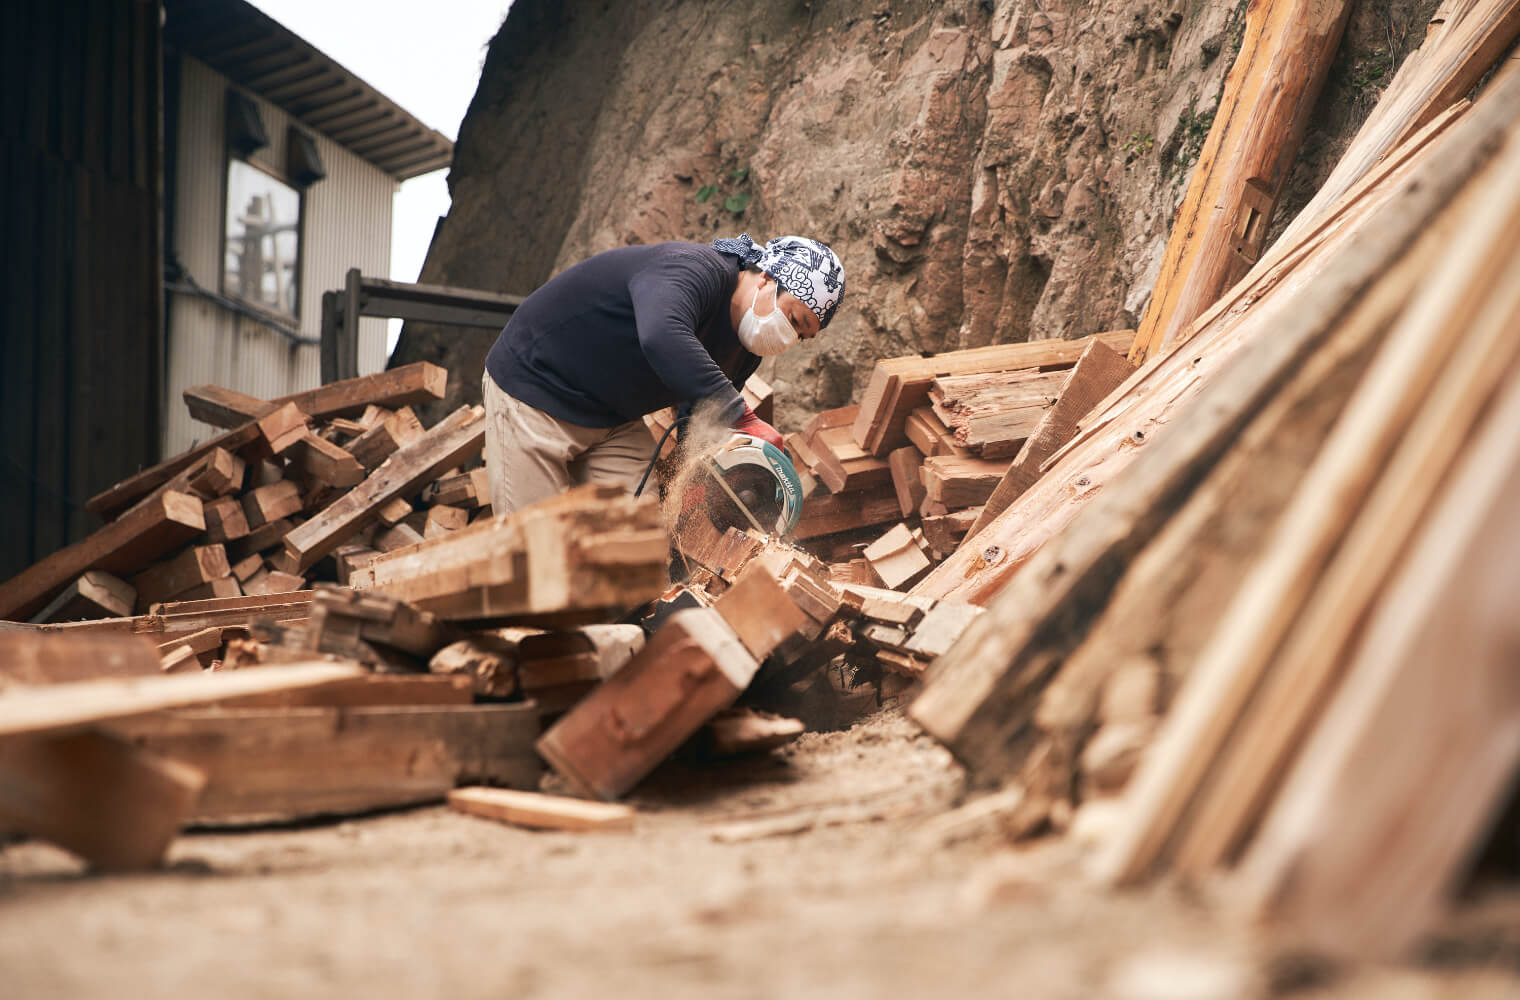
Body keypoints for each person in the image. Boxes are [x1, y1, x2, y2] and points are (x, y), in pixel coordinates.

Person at [480, 233, 846, 515]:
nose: (789, 335)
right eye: (794, 318)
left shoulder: (745, 349)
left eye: (801, 335)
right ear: (767, 278)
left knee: (636, 544)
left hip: (609, 419)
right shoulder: (695, 268)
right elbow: (661, 335)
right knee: (534, 557)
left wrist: (700, 481)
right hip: (534, 391)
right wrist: (743, 417)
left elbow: (699, 415)